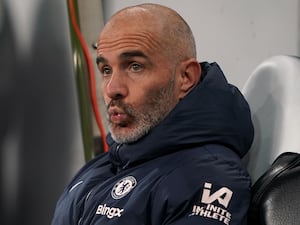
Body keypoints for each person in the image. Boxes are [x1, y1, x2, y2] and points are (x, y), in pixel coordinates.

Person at [51, 3, 254, 225]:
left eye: (135, 66)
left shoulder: (208, 179)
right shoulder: (103, 166)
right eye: (106, 70)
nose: (112, 89)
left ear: (185, 77)